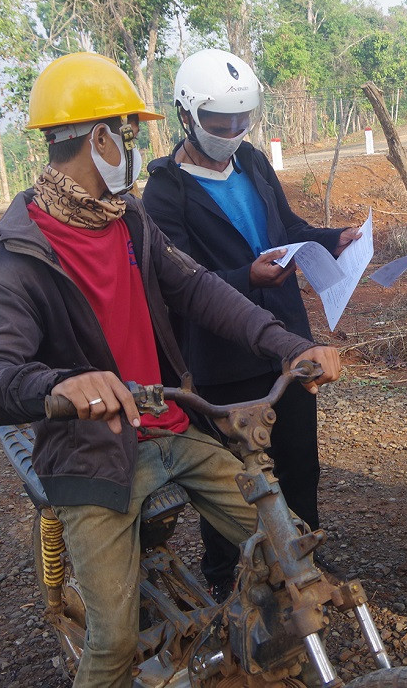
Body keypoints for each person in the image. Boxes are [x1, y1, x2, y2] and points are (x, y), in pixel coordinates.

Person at [0, 51, 341, 688]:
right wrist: (61, 385)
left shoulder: (127, 218)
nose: (138, 147)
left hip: (170, 427)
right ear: (101, 138)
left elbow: (199, 291)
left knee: (291, 554)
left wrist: (285, 344)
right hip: (93, 455)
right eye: (129, 133)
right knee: (114, 641)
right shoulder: (23, 253)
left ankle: (257, 661)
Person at [141, 48, 359, 597]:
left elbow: (286, 225)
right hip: (222, 360)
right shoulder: (165, 190)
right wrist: (245, 278)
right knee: (233, 482)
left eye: (243, 119)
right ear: (186, 115)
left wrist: (334, 239)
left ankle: (302, 568)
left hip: (285, 340)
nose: (233, 130)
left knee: (299, 464)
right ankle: (229, 582)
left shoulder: (253, 161)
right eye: (220, 121)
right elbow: (180, 280)